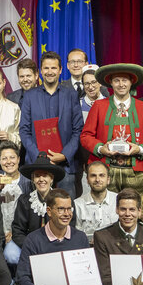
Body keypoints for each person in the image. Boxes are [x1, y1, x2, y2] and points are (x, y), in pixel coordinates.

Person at [81, 63, 143, 195]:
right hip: (105, 171)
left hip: (135, 172)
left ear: (131, 82)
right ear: (110, 83)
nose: (121, 84)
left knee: (133, 213)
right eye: (116, 80)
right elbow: (86, 136)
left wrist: (139, 149)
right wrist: (100, 148)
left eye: (124, 80)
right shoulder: (98, 106)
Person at [19, 51, 83, 193]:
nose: (49, 72)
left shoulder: (71, 95)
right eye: (46, 68)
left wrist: (65, 155)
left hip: (65, 166)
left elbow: (78, 130)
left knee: (65, 212)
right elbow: (24, 130)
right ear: (40, 71)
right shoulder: (29, 96)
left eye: (53, 68)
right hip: (37, 165)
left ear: (60, 70)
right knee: (36, 212)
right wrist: (39, 156)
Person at [11, 154, 72, 269]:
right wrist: (32, 246)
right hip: (31, 245)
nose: (41, 180)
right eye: (37, 176)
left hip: (58, 244)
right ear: (33, 180)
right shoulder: (25, 200)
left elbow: (70, 226)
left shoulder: (64, 200)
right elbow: (18, 230)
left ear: (51, 179)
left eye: (45, 176)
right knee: (11, 254)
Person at [0, 141, 30, 246]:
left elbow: (29, 214)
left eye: (12, 157)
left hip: (19, 233)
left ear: (18, 159)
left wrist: (16, 234)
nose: (8, 162)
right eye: (4, 158)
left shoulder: (27, 181)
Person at [74, 161, 118, 245]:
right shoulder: (77, 204)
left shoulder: (118, 201)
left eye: (101, 175)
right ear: (87, 180)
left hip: (114, 249)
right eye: (93, 176)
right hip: (87, 249)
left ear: (108, 179)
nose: (97, 180)